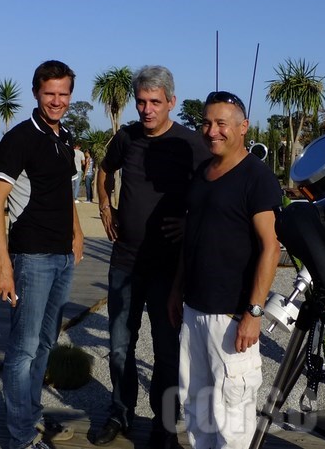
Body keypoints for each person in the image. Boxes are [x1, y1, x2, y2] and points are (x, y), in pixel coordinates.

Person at [93, 66, 210, 449]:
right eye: (141, 102)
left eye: (155, 102)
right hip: (125, 260)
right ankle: (119, 412)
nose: (146, 110)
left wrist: (190, 222)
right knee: (120, 344)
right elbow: (104, 170)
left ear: (171, 102)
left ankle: (164, 425)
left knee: (166, 350)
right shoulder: (126, 138)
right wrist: (104, 206)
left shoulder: (190, 144)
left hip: (167, 268)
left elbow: (214, 190)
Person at [169, 90, 282, 449]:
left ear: (243, 127)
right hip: (194, 310)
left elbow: (271, 247)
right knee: (197, 409)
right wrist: (176, 290)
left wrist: (254, 312)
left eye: (222, 123)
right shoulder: (203, 172)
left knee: (232, 419)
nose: (212, 130)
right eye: (206, 122)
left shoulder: (257, 177)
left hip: (232, 317)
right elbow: (193, 238)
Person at [0, 60, 84, 449]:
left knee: (45, 345)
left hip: (61, 257)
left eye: (63, 94)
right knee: (23, 350)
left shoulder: (64, 138)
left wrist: (77, 235)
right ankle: (21, 438)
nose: (57, 101)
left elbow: (67, 195)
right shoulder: (20, 138)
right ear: (36, 93)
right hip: (31, 259)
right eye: (50, 94)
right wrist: (3, 267)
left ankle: (31, 416)